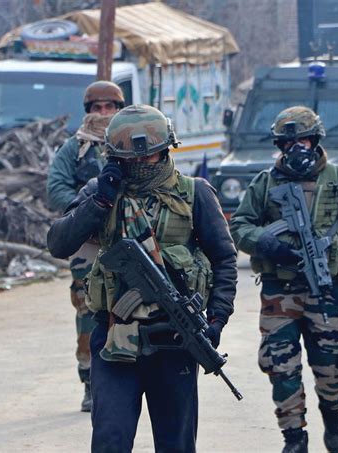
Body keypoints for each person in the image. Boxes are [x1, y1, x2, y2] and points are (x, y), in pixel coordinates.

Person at [47, 104, 237, 452]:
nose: (139, 165)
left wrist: (217, 318)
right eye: (129, 159)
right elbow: (58, 242)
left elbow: (224, 259)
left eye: (147, 157)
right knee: (110, 440)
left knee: (176, 444)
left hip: (174, 341)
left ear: (165, 151)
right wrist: (99, 202)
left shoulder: (195, 194)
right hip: (114, 339)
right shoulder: (102, 191)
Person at [230, 106, 338, 453]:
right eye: (289, 142)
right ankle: (294, 436)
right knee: (280, 364)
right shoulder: (265, 182)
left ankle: (332, 411)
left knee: (332, 366)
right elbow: (239, 226)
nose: (297, 147)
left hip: (326, 290)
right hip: (279, 292)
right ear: (280, 146)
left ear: (316, 141)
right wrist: (267, 243)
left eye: (304, 140)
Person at [47, 80, 125, 412]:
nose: (104, 114)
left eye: (110, 108)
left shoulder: (131, 141)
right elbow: (56, 188)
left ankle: (127, 375)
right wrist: (84, 213)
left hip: (127, 236)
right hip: (88, 242)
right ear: (88, 111)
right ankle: (90, 381)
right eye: (98, 108)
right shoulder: (75, 148)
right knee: (88, 307)